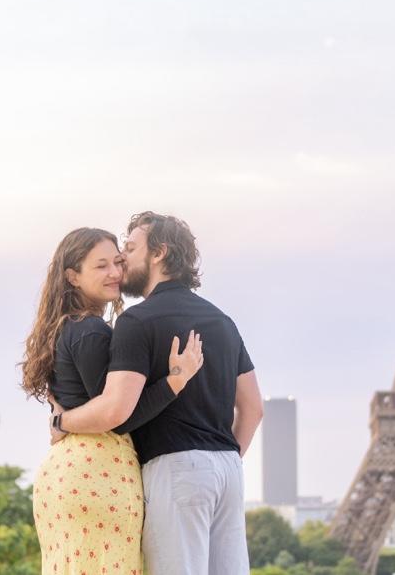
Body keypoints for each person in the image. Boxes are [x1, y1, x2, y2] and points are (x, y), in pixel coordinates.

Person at [51, 211, 264, 575]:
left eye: (131, 249)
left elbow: (116, 413)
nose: (122, 260)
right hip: (229, 471)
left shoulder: (137, 322)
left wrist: (62, 420)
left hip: (176, 468)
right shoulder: (222, 321)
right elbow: (253, 408)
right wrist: (222, 459)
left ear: (159, 252)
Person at [21, 226, 204, 575]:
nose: (115, 273)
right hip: (99, 474)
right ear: (72, 276)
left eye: (118, 262)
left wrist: (61, 421)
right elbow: (118, 415)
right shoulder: (92, 331)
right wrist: (175, 381)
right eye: (101, 265)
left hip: (64, 473)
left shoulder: (65, 328)